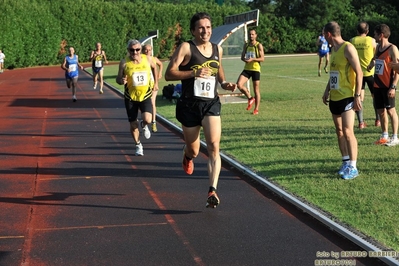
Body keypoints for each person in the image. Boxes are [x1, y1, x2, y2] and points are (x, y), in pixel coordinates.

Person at [164, 12, 236, 208]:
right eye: (201, 28)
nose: (206, 31)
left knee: (213, 145)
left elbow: (217, 68)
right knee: (194, 150)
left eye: (208, 27)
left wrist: (224, 82)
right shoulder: (186, 47)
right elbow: (169, 74)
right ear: (193, 30)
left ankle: (212, 190)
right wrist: (193, 72)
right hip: (189, 105)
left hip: (211, 103)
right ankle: (187, 155)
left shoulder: (216, 49)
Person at [321, 21, 363, 180]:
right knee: (339, 131)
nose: (324, 38)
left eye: (325, 35)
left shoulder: (348, 48)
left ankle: (353, 166)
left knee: (347, 131)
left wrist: (357, 95)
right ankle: (345, 162)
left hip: (347, 96)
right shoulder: (333, 50)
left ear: (329, 34)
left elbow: (359, 73)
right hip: (335, 97)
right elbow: (333, 73)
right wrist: (327, 90)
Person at [116, 39, 158, 156]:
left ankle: (144, 126)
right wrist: (121, 80)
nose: (135, 52)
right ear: (128, 50)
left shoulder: (147, 59)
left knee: (148, 119)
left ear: (141, 49)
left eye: (137, 50)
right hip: (130, 98)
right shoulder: (124, 63)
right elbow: (118, 78)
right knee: (133, 124)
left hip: (145, 95)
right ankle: (138, 144)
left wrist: (156, 83)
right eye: (132, 50)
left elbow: (154, 67)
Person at [369, 24, 399, 146]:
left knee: (391, 111)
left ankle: (395, 136)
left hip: (388, 85)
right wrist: (372, 63)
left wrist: (393, 86)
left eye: (375, 34)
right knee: (381, 110)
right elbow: (375, 59)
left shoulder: (392, 49)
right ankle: (384, 135)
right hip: (377, 85)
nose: (374, 36)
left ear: (381, 35)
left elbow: (397, 70)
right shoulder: (377, 48)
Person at [350, 22, 378, 129]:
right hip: (370, 73)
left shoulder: (352, 41)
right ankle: (377, 120)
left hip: (358, 74)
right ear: (367, 31)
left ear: (357, 31)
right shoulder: (371, 40)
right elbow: (377, 54)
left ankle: (361, 122)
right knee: (375, 96)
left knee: (359, 97)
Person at [236, 29, 264, 115]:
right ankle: (250, 98)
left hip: (255, 69)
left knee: (256, 90)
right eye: (250, 34)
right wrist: (245, 60)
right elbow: (242, 56)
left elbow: (262, 58)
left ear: (256, 35)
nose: (251, 36)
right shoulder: (246, 45)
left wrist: (253, 59)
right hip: (247, 69)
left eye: (252, 34)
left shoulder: (258, 45)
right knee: (239, 84)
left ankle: (256, 109)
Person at [142, 44, 163, 132]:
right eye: (146, 50)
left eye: (149, 50)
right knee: (143, 104)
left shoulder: (154, 59)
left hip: (153, 84)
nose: (148, 51)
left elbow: (161, 64)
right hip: (143, 85)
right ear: (143, 50)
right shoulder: (141, 59)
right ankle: (145, 121)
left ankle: (153, 122)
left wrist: (160, 73)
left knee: (152, 103)